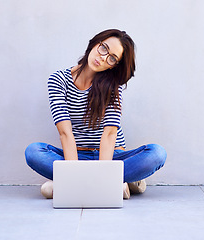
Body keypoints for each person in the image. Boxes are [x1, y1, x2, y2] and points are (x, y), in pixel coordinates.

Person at [25, 29, 167, 199]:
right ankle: (117, 183)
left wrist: (103, 172)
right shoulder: (58, 80)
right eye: (104, 48)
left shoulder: (113, 85)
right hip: (75, 156)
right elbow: (65, 132)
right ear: (94, 43)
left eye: (112, 58)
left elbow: (110, 133)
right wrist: (73, 169)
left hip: (112, 157)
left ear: (114, 65)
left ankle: (71, 184)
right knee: (33, 151)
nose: (103, 57)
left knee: (157, 153)